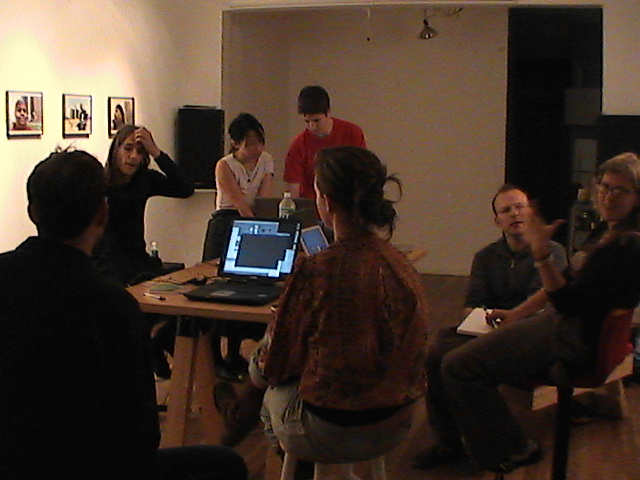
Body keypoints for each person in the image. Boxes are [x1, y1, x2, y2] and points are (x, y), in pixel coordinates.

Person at [0, 149, 247, 480]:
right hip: (87, 467)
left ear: (32, 211)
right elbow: (139, 436)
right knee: (225, 464)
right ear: (103, 212)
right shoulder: (111, 305)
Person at [440, 152, 640, 475]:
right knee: (443, 350)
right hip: (563, 324)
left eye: (620, 189)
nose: (607, 195)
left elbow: (565, 301)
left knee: (458, 367)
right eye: (604, 185)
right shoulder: (608, 234)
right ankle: (459, 444)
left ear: (637, 197)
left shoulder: (627, 246)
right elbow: (566, 285)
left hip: (573, 338)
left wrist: (541, 254)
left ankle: (511, 449)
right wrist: (517, 314)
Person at [251, 146, 428, 463]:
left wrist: (259, 357)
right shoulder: (401, 263)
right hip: (398, 422)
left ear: (327, 201)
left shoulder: (317, 269)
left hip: (331, 431)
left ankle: (274, 458)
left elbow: (274, 367)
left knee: (266, 380)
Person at [414, 184, 568, 470]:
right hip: (491, 329)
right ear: (497, 221)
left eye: (520, 207)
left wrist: (509, 318)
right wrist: (478, 317)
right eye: (506, 210)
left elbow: (546, 305)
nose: (515, 214)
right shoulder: (485, 257)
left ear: (531, 211)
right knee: (434, 356)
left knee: (460, 365)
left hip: (531, 333)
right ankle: (449, 442)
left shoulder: (552, 252)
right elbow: (473, 303)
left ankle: (503, 446)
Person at [92, 125, 194, 379]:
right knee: (134, 314)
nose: (133, 157)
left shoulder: (144, 179)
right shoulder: (99, 183)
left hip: (138, 260)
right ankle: (151, 353)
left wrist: (156, 151)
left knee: (181, 304)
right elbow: (103, 243)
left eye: (140, 151)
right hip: (108, 265)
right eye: (128, 149)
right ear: (115, 149)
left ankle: (157, 350)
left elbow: (185, 188)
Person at [202, 112, 274, 381]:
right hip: (226, 222)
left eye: (259, 141)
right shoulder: (224, 165)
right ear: (235, 143)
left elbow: (264, 198)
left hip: (253, 220)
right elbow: (239, 204)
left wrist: (264, 228)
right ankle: (214, 357)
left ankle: (234, 353)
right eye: (249, 143)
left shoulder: (266, 160)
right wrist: (257, 229)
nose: (256, 148)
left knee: (244, 286)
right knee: (216, 285)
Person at [283, 85, 366, 199]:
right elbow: (293, 188)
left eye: (317, 120)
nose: (312, 126)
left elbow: (362, 173)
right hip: (311, 203)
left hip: (348, 200)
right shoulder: (298, 145)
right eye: (307, 122)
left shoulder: (352, 133)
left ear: (328, 112)